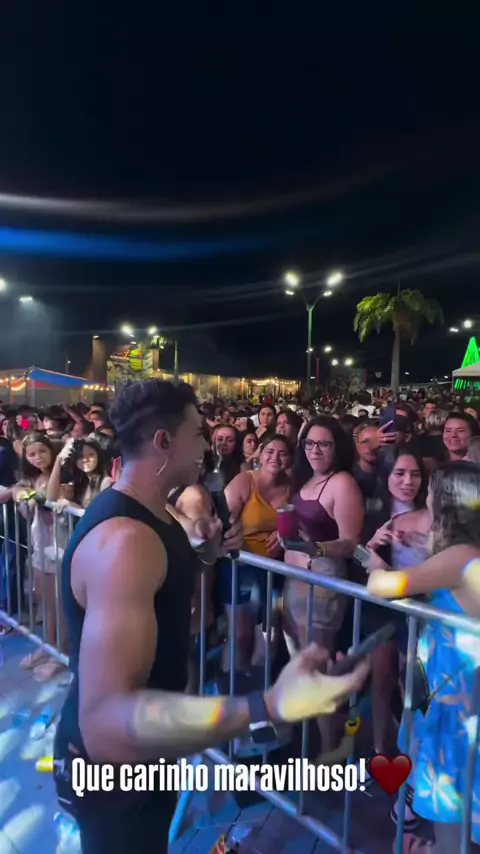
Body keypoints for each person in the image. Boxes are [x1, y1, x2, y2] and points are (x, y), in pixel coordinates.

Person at [54, 379, 369, 854]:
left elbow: (163, 590)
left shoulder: (155, 513)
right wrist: (269, 705)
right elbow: (105, 720)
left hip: (147, 751)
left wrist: (206, 555)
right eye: (198, 434)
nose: (206, 446)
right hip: (113, 774)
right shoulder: (125, 541)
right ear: (164, 441)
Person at [368, 462, 480, 852]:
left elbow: (384, 586)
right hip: (459, 689)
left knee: (453, 803)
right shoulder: (463, 552)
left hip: (458, 699)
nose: (425, 495)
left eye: (431, 488)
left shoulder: (461, 556)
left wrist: (375, 560)